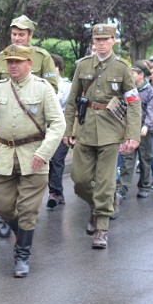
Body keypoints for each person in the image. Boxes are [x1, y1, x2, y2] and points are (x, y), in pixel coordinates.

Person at [0, 45, 65, 277]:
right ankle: (22, 232)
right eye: (10, 61)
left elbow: (58, 124)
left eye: (18, 62)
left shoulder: (42, 89)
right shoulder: (1, 89)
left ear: (29, 64)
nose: (12, 65)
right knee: (0, 204)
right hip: (4, 155)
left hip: (33, 155)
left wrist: (43, 153)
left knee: (27, 209)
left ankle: (22, 255)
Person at [63, 24, 141, 249]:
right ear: (93, 42)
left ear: (113, 41)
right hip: (86, 129)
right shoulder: (83, 65)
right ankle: (97, 208)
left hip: (111, 131)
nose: (101, 43)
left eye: (106, 39)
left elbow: (134, 104)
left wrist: (132, 134)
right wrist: (68, 129)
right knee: (80, 180)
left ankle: (102, 230)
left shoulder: (122, 68)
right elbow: (72, 100)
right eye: (97, 39)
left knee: (105, 182)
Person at [0, 15, 58, 237]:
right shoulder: (2, 57)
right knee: (4, 182)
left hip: (32, 129)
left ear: (30, 36)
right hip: (6, 132)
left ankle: (24, 224)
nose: (17, 38)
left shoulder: (42, 57)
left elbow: (52, 90)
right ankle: (11, 219)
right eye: (14, 34)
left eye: (21, 34)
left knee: (30, 179)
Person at [116, 60, 153, 202]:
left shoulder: (150, 90)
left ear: (140, 75)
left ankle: (144, 186)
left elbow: (151, 110)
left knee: (145, 159)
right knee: (127, 158)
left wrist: (146, 125)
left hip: (145, 130)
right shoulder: (127, 89)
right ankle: (122, 188)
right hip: (129, 129)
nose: (129, 75)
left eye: (132, 73)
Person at [47, 53, 71, 208]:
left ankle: (54, 193)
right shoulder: (41, 84)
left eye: (53, 67)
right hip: (44, 126)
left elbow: (70, 109)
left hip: (61, 125)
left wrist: (69, 131)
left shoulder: (67, 86)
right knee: (48, 161)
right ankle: (57, 192)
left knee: (57, 159)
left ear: (59, 69)